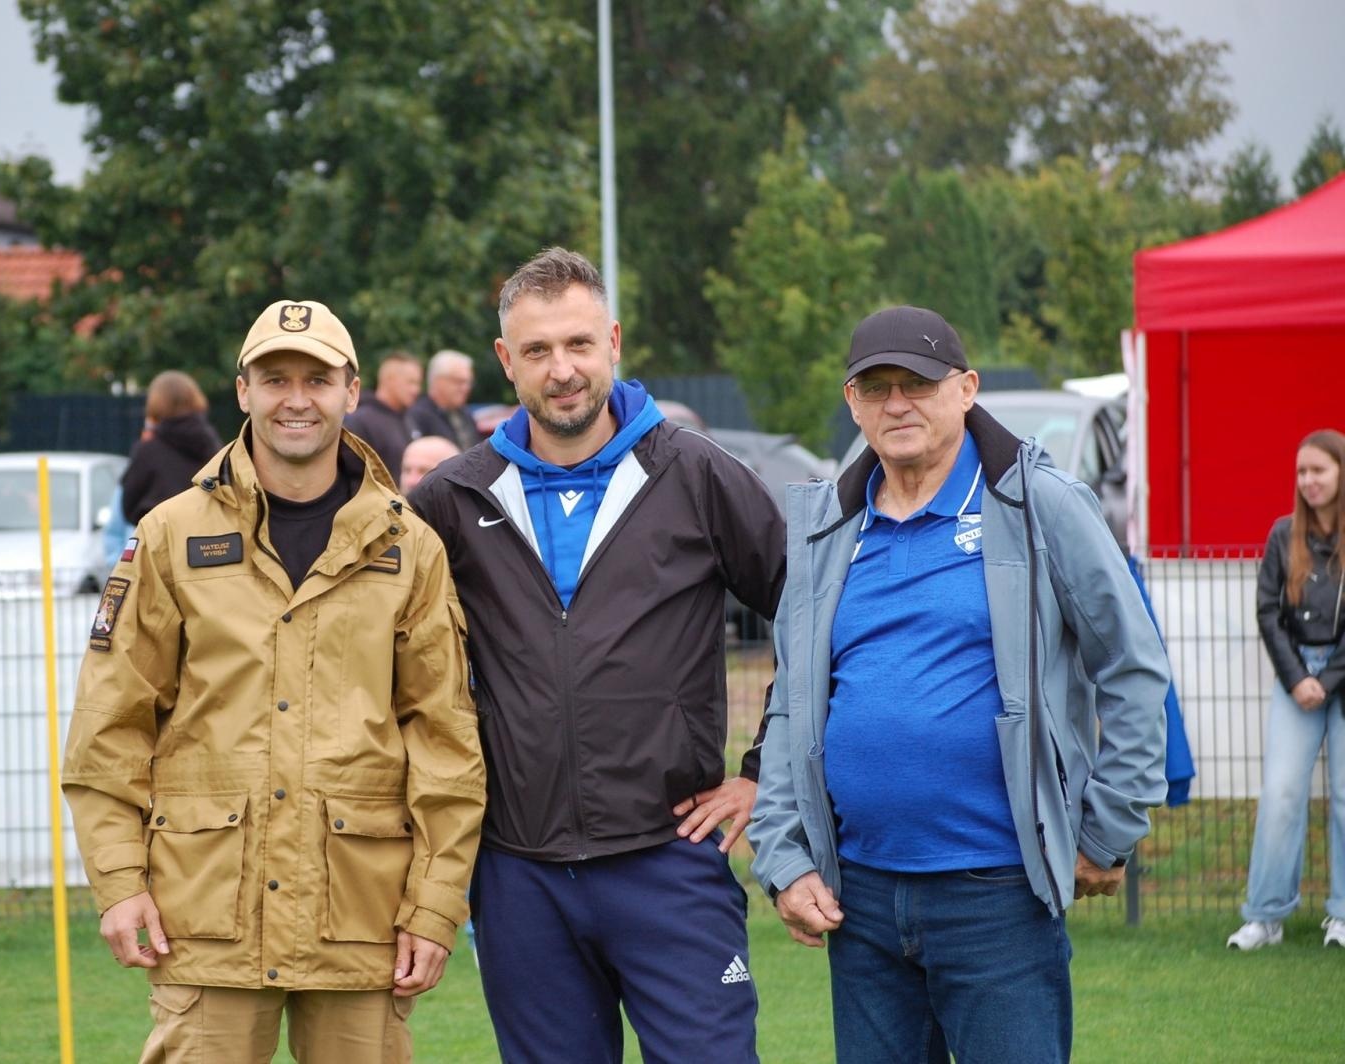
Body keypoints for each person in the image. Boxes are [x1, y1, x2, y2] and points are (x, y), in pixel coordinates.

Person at [62, 298, 485, 1063]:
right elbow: (109, 725)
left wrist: (433, 906)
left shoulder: (409, 546)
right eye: (275, 378)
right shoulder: (171, 535)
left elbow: (445, 743)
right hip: (205, 914)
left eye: (317, 380)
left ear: (352, 391)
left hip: (360, 915)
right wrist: (120, 882)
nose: (297, 399)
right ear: (243, 391)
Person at [747, 305, 1170, 1063]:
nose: (897, 404)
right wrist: (785, 857)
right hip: (861, 900)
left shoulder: (1041, 504)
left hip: (999, 896)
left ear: (967, 389)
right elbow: (792, 705)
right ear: (852, 404)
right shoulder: (826, 527)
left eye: (918, 382)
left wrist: (1108, 826)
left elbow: (1132, 667)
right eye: (875, 388)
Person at [409, 247, 784, 1064]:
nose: (563, 370)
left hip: (669, 860)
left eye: (579, 344)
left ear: (612, 341)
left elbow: (815, 620)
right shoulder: (451, 499)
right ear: (506, 360)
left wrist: (764, 772)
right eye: (538, 350)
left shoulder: (697, 475)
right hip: (520, 873)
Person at [1228, 429, 1345, 951]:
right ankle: (1265, 917)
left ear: (1340, 472)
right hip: (1296, 675)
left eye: (1319, 469)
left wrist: (1328, 678)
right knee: (1280, 794)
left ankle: (1342, 915)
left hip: (1340, 674)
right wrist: (1298, 678)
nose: (1309, 480)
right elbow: (1268, 611)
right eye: (1302, 471)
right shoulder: (1283, 534)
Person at [120, 370, 222, 525]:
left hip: (159, 533)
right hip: (205, 534)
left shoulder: (147, 450)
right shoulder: (213, 446)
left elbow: (128, 507)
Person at [344, 350, 422, 484]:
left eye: (418, 383)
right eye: (411, 382)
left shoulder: (409, 419)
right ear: (389, 380)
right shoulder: (360, 421)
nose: (416, 390)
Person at [408, 350, 480, 450]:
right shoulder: (417, 416)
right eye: (459, 382)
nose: (466, 388)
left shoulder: (465, 414)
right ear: (438, 381)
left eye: (468, 383)